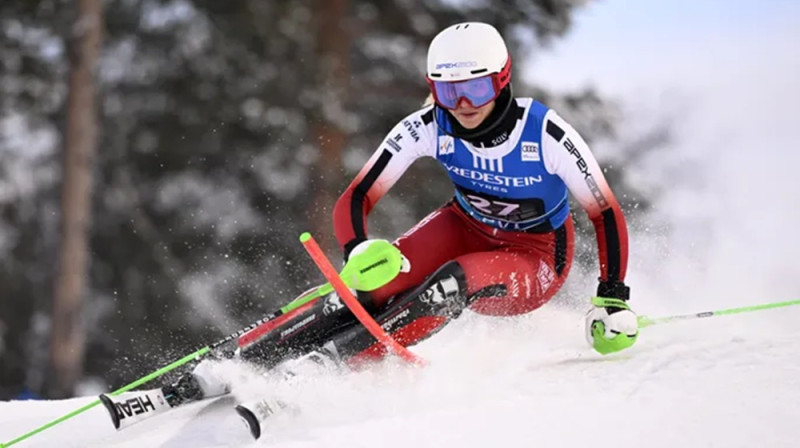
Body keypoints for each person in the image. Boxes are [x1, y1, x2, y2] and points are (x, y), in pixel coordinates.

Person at [167, 21, 638, 406]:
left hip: (534, 259)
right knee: (368, 284)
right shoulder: (430, 124)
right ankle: (240, 357)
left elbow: (606, 213)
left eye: (475, 89)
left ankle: (330, 364)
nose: (464, 106)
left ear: (501, 80)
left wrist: (612, 295)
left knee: (450, 283)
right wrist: (359, 249)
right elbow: (357, 197)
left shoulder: (546, 135)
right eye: (450, 92)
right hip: (464, 227)